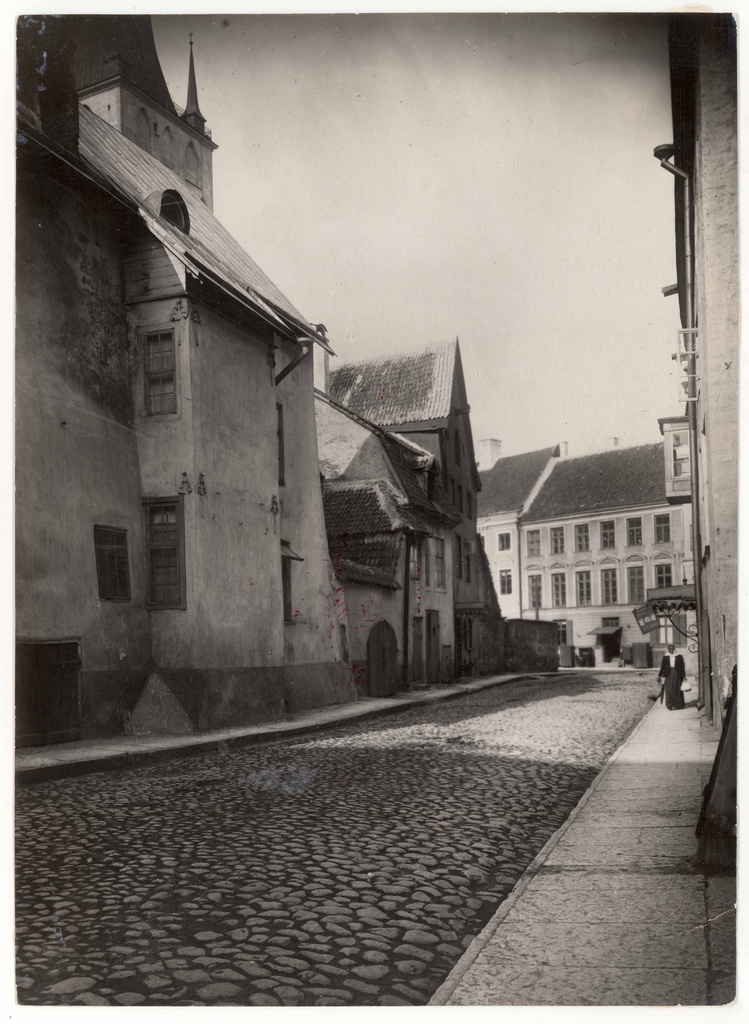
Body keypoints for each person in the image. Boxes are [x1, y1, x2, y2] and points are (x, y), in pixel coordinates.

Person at [657, 644, 686, 710]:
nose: (671, 650)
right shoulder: (665, 657)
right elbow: (663, 667)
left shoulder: (679, 656)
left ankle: (678, 705)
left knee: (677, 689)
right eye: (670, 649)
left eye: (672, 649)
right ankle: (669, 705)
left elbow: (682, 667)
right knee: (669, 689)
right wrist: (659, 675)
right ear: (668, 649)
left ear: (674, 649)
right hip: (668, 674)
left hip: (677, 674)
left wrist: (684, 676)